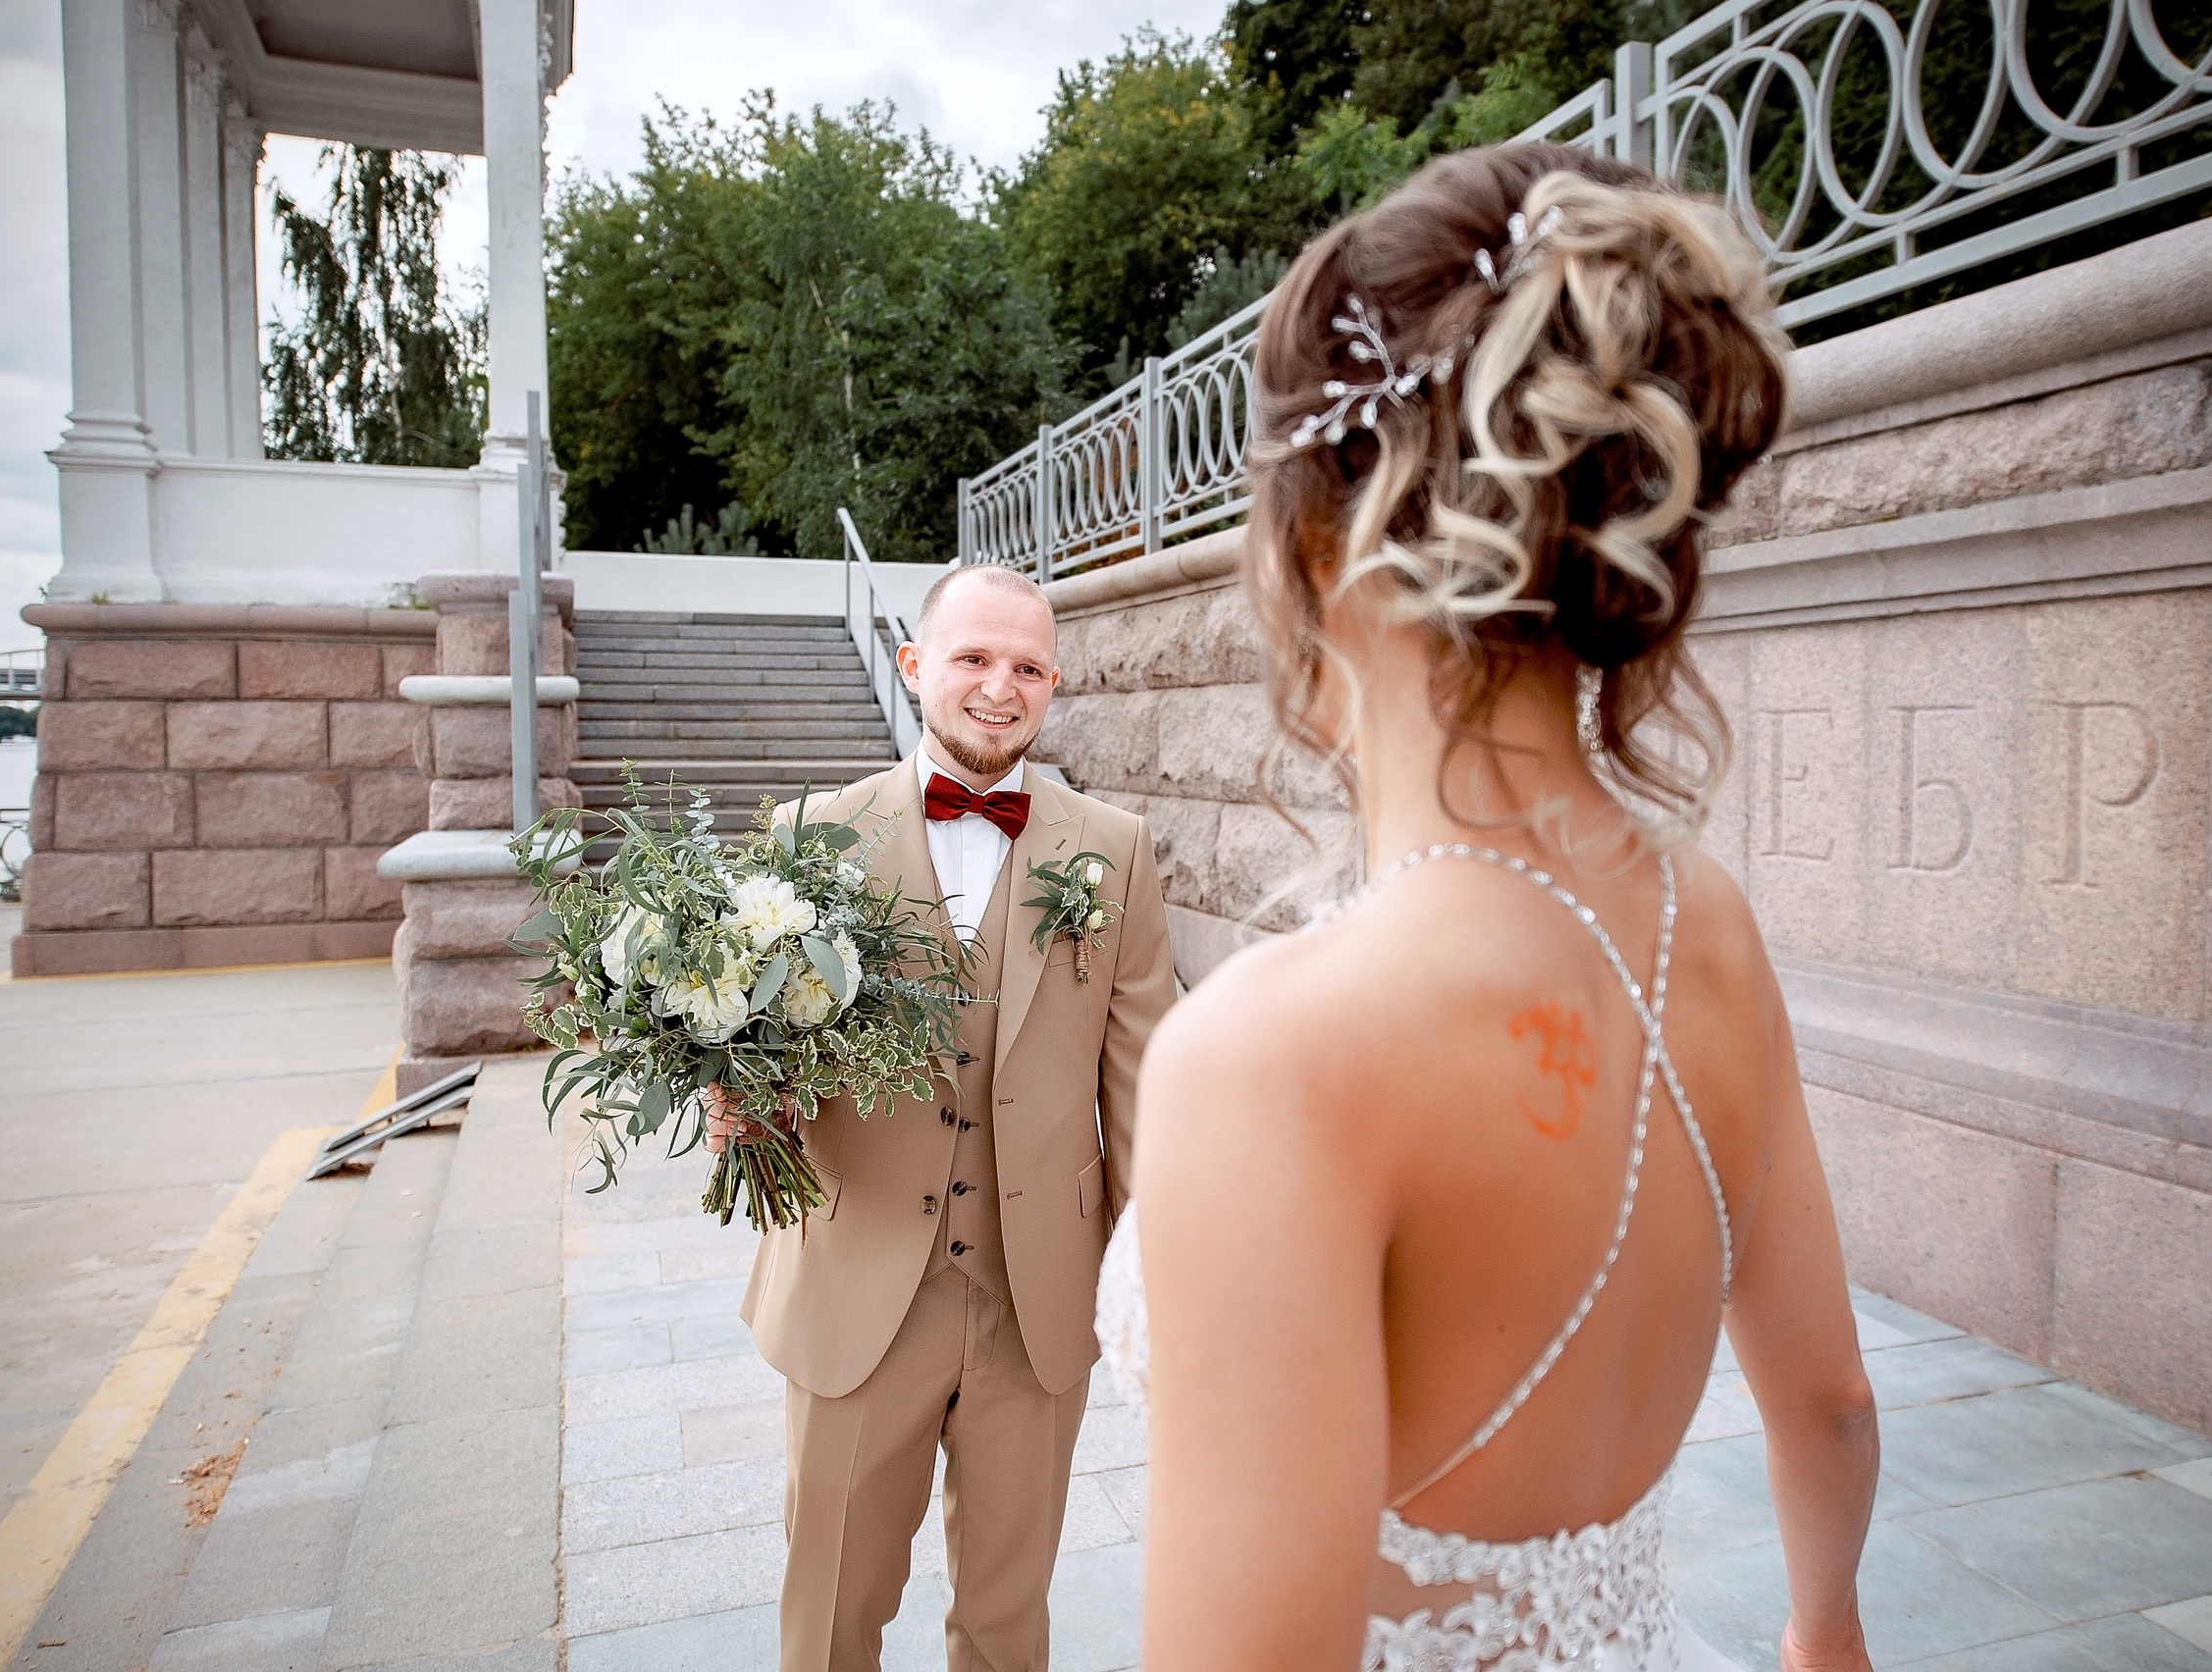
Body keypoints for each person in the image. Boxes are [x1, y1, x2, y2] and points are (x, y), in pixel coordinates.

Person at [1096, 145, 1881, 1671]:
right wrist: (1823, 1630)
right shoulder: (1703, 920)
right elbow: (1833, 1400)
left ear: (1315, 542)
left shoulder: (1270, 1059)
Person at [726, 564, 1178, 1671]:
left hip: (1037, 1299)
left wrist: (1153, 1274)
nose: (998, 686)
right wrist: (738, 1094)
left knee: (1006, 1624)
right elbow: (752, 1046)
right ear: (916, 664)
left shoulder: (1111, 848)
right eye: (973, 657)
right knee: (832, 1615)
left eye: (1026, 667)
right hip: (859, 1289)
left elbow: (1148, 1081)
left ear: (1052, 685)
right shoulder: (807, 838)